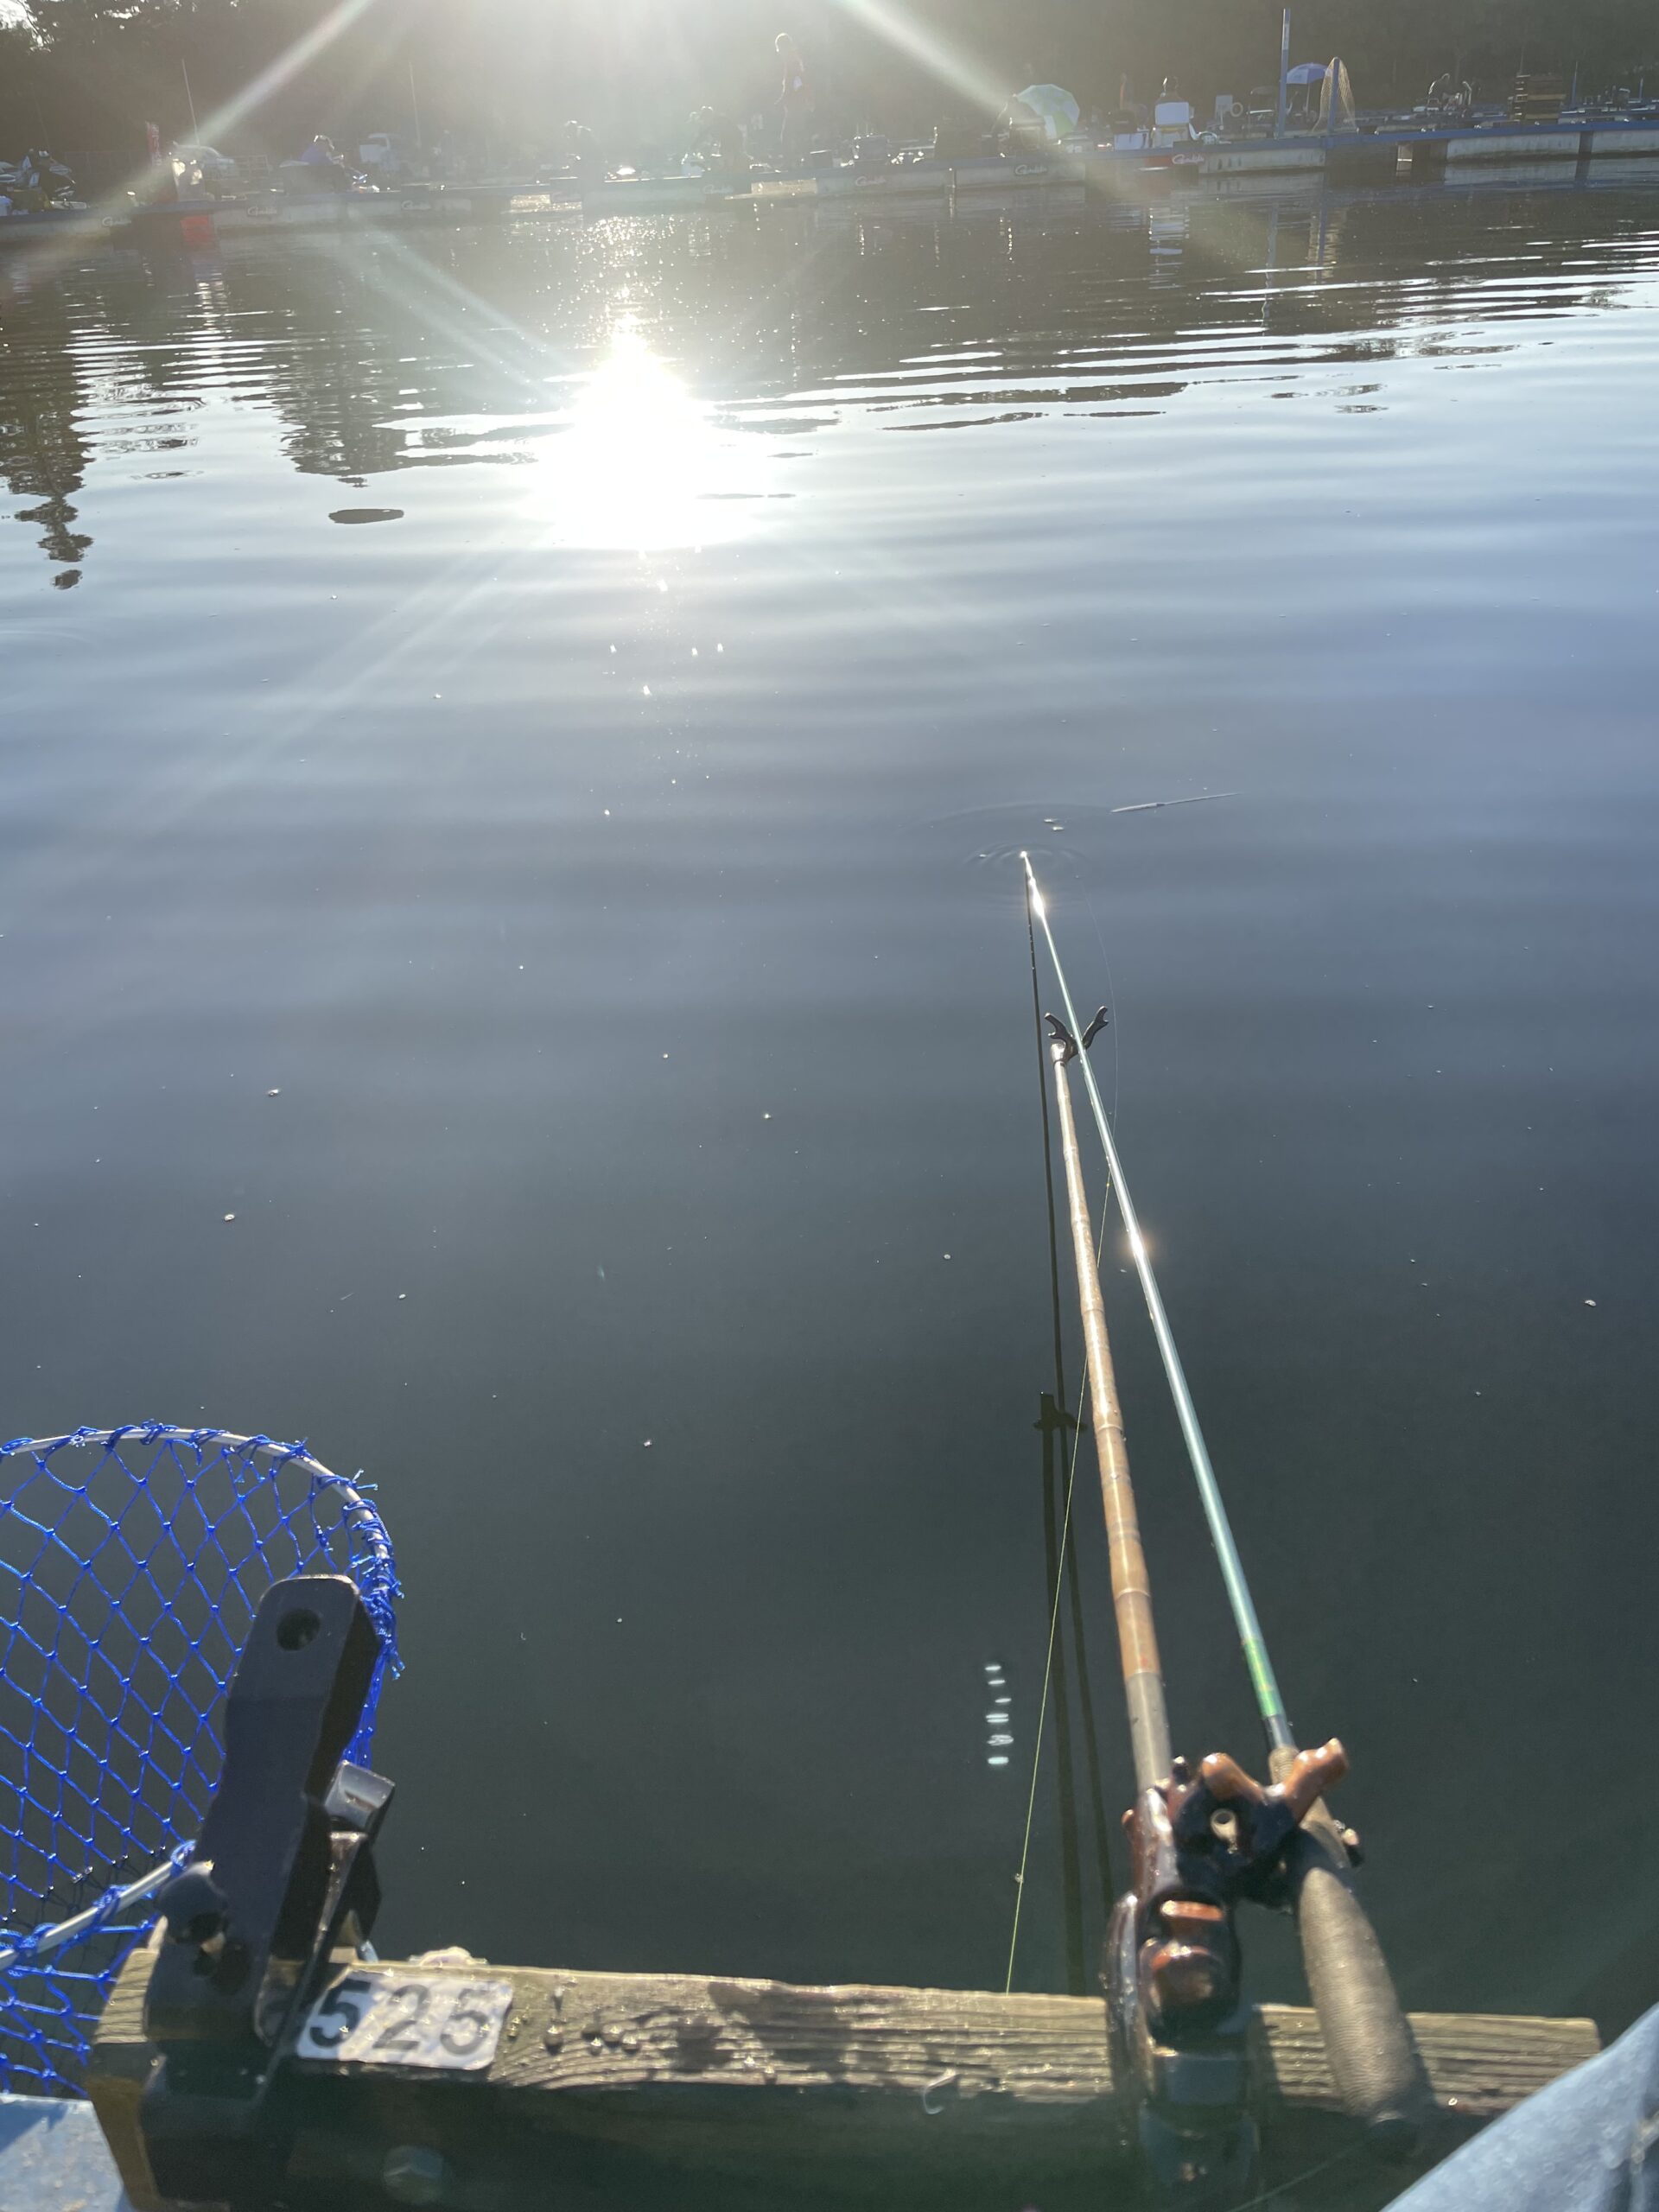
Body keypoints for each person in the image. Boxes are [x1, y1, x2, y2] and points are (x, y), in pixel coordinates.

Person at [775, 33, 814, 160]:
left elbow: (792, 84)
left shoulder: (791, 62)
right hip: (798, 103)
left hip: (795, 105)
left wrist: (782, 100)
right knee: (799, 133)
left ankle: (789, 163)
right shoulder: (795, 60)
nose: (779, 52)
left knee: (787, 136)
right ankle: (805, 160)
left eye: (779, 48)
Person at [563, 120, 604, 184]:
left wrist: (576, 157)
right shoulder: (578, 134)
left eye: (568, 132)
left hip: (594, 160)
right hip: (590, 159)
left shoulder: (582, 134)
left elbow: (586, 150)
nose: (568, 135)